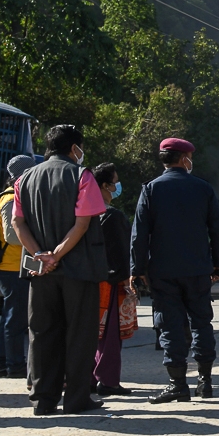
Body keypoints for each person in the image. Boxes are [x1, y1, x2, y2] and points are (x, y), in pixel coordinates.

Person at [11, 124, 109, 416]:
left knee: (41, 333)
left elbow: (18, 224)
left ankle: (43, 399)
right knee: (80, 334)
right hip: (77, 270)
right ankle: (77, 399)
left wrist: (40, 255)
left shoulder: (24, 179)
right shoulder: (82, 175)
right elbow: (82, 223)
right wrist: (56, 254)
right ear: (74, 148)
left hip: (39, 272)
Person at [130, 138, 219, 404]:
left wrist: (137, 269)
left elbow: (139, 234)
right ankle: (205, 382)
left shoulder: (150, 190)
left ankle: (177, 384)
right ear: (185, 159)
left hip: (163, 271)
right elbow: (218, 231)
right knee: (201, 323)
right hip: (197, 269)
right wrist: (218, 264)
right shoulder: (203, 189)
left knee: (170, 326)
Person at [0, 154, 36, 379]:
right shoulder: (10, 199)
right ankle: (14, 365)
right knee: (15, 319)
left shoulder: (16, 196)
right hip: (11, 266)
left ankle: (4, 363)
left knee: (10, 317)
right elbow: (12, 236)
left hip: (16, 265)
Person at [93, 162, 131, 395]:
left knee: (88, 333)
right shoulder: (112, 216)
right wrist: (128, 281)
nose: (118, 186)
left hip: (87, 280)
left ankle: (86, 377)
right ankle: (108, 380)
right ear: (106, 186)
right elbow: (121, 252)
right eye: (115, 182)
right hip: (110, 283)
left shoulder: (82, 214)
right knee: (109, 335)